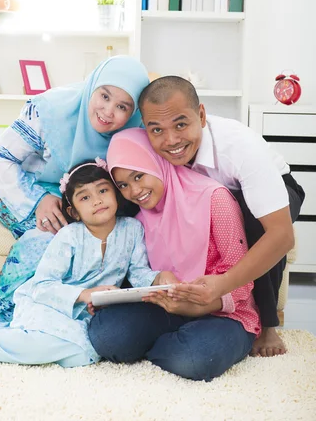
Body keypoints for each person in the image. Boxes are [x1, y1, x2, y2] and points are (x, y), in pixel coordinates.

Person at [0, 159, 178, 366]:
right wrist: (83, 294)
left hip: (88, 316)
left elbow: (138, 272)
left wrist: (158, 279)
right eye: (85, 197)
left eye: (103, 191)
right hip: (50, 305)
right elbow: (42, 284)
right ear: (73, 212)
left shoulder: (132, 229)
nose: (97, 201)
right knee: (40, 344)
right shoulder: (70, 236)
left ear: (115, 193)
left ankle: (13, 337)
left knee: (84, 355)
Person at [0, 56, 150, 330]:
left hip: (75, 197)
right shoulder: (50, 110)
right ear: (93, 85)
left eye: (122, 106)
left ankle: (60, 323)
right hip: (18, 183)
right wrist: (38, 200)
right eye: (104, 96)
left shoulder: (134, 132)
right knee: (47, 242)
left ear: (134, 111)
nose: (107, 111)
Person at [137, 76, 305, 357]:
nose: (171, 140)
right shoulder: (151, 146)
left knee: (256, 224)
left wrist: (224, 284)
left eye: (181, 124)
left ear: (201, 115)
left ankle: (266, 324)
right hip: (210, 199)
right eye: (157, 130)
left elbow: (281, 234)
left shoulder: (239, 148)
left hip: (275, 188)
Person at [88, 128, 261, 382]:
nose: (134, 191)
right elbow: (140, 273)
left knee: (195, 358)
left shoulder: (214, 198)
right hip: (167, 308)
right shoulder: (138, 219)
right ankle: (172, 342)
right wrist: (112, 294)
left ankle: (170, 345)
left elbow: (242, 278)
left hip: (223, 312)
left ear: (156, 163)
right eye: (123, 185)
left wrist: (199, 305)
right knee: (106, 334)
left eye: (139, 176)